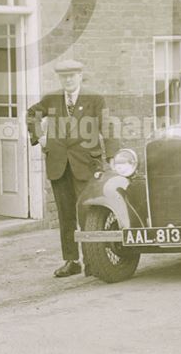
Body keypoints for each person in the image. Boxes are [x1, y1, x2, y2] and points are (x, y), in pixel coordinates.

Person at [26, 59, 118, 278]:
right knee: (65, 214)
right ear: (60, 78)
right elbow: (31, 113)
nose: (68, 80)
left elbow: (107, 126)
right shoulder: (51, 99)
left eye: (72, 76)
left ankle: (92, 261)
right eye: (64, 76)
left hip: (86, 164)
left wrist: (113, 156)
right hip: (59, 165)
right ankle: (71, 261)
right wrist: (39, 137)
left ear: (80, 76)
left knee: (87, 213)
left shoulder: (94, 99)